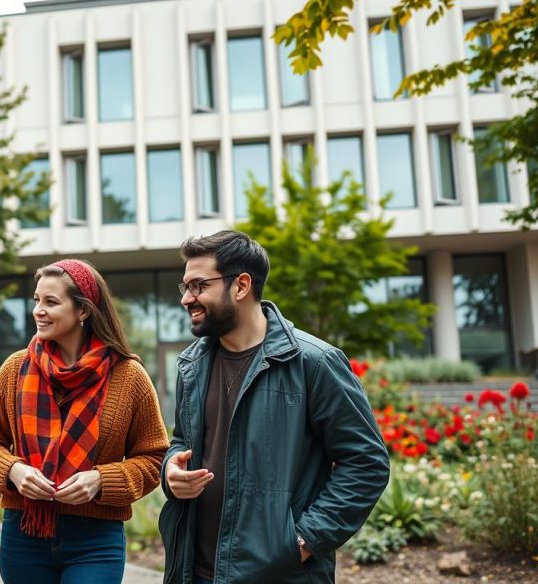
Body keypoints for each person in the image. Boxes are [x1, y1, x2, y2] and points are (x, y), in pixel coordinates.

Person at [159, 230, 390, 584]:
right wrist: (171, 472)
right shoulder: (192, 364)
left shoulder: (314, 362)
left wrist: (302, 542)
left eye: (199, 285)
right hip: (195, 572)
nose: (187, 299)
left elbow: (366, 463)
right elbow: (182, 441)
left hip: (280, 574)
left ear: (241, 286)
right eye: (185, 287)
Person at [0, 259, 170, 584]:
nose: (38, 310)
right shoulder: (14, 369)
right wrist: (13, 470)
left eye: (51, 302)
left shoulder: (128, 376)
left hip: (96, 539)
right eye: (37, 300)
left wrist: (101, 480)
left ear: (83, 311)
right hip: (24, 534)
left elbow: (153, 458)